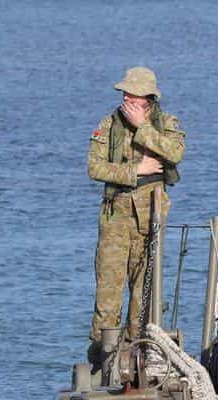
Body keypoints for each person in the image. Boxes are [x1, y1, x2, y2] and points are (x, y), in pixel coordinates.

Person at [88, 66, 185, 347]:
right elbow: (94, 167)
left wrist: (142, 128)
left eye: (134, 95)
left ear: (149, 99)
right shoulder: (109, 125)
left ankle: (138, 353)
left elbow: (175, 153)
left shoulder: (166, 123)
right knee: (108, 297)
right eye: (125, 94)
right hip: (116, 217)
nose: (127, 100)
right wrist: (137, 170)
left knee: (145, 295)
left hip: (151, 217)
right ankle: (102, 357)